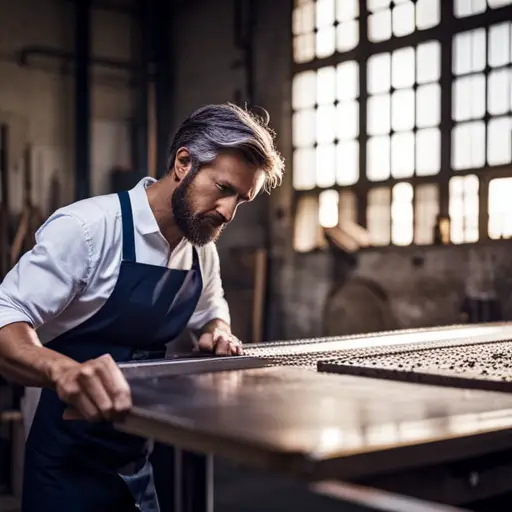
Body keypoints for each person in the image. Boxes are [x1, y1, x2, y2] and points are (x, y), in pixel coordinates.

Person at [0, 103, 284, 511]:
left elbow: (211, 310)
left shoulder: (200, 248)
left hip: (138, 463)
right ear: (184, 162)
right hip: (64, 465)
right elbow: (6, 315)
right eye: (223, 189)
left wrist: (217, 331)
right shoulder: (88, 229)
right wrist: (63, 370)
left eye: (241, 200)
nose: (228, 213)